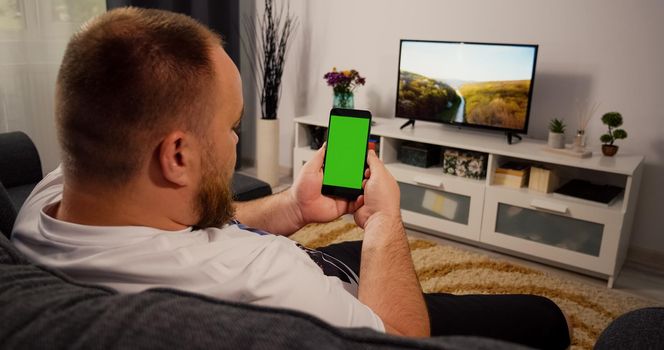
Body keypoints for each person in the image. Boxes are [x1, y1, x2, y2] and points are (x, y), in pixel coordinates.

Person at [11, 7, 570, 349]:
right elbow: (400, 342)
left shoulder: (49, 199)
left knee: (344, 251)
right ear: (176, 155)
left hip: (318, 274)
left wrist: (294, 208)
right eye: (232, 126)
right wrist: (383, 222)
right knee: (544, 318)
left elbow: (177, 229)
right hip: (367, 316)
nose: (237, 141)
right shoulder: (261, 277)